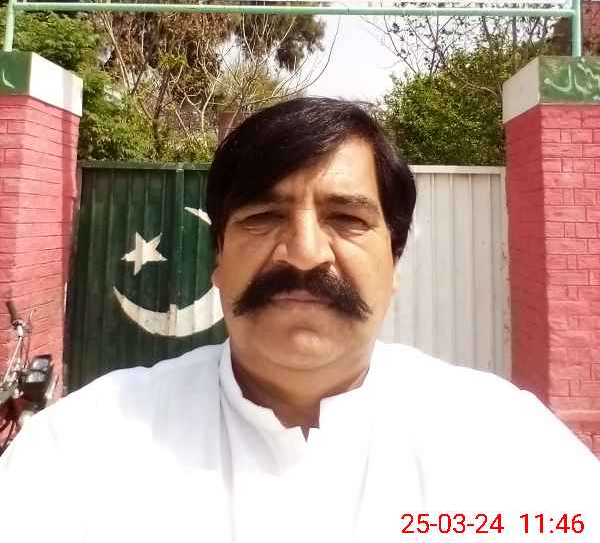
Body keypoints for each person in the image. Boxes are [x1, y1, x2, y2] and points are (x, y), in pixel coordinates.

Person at [0, 97, 598, 543]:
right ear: (218, 262)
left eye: (347, 219)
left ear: (393, 265)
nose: (305, 253)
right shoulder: (81, 450)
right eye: (262, 217)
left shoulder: (509, 448)